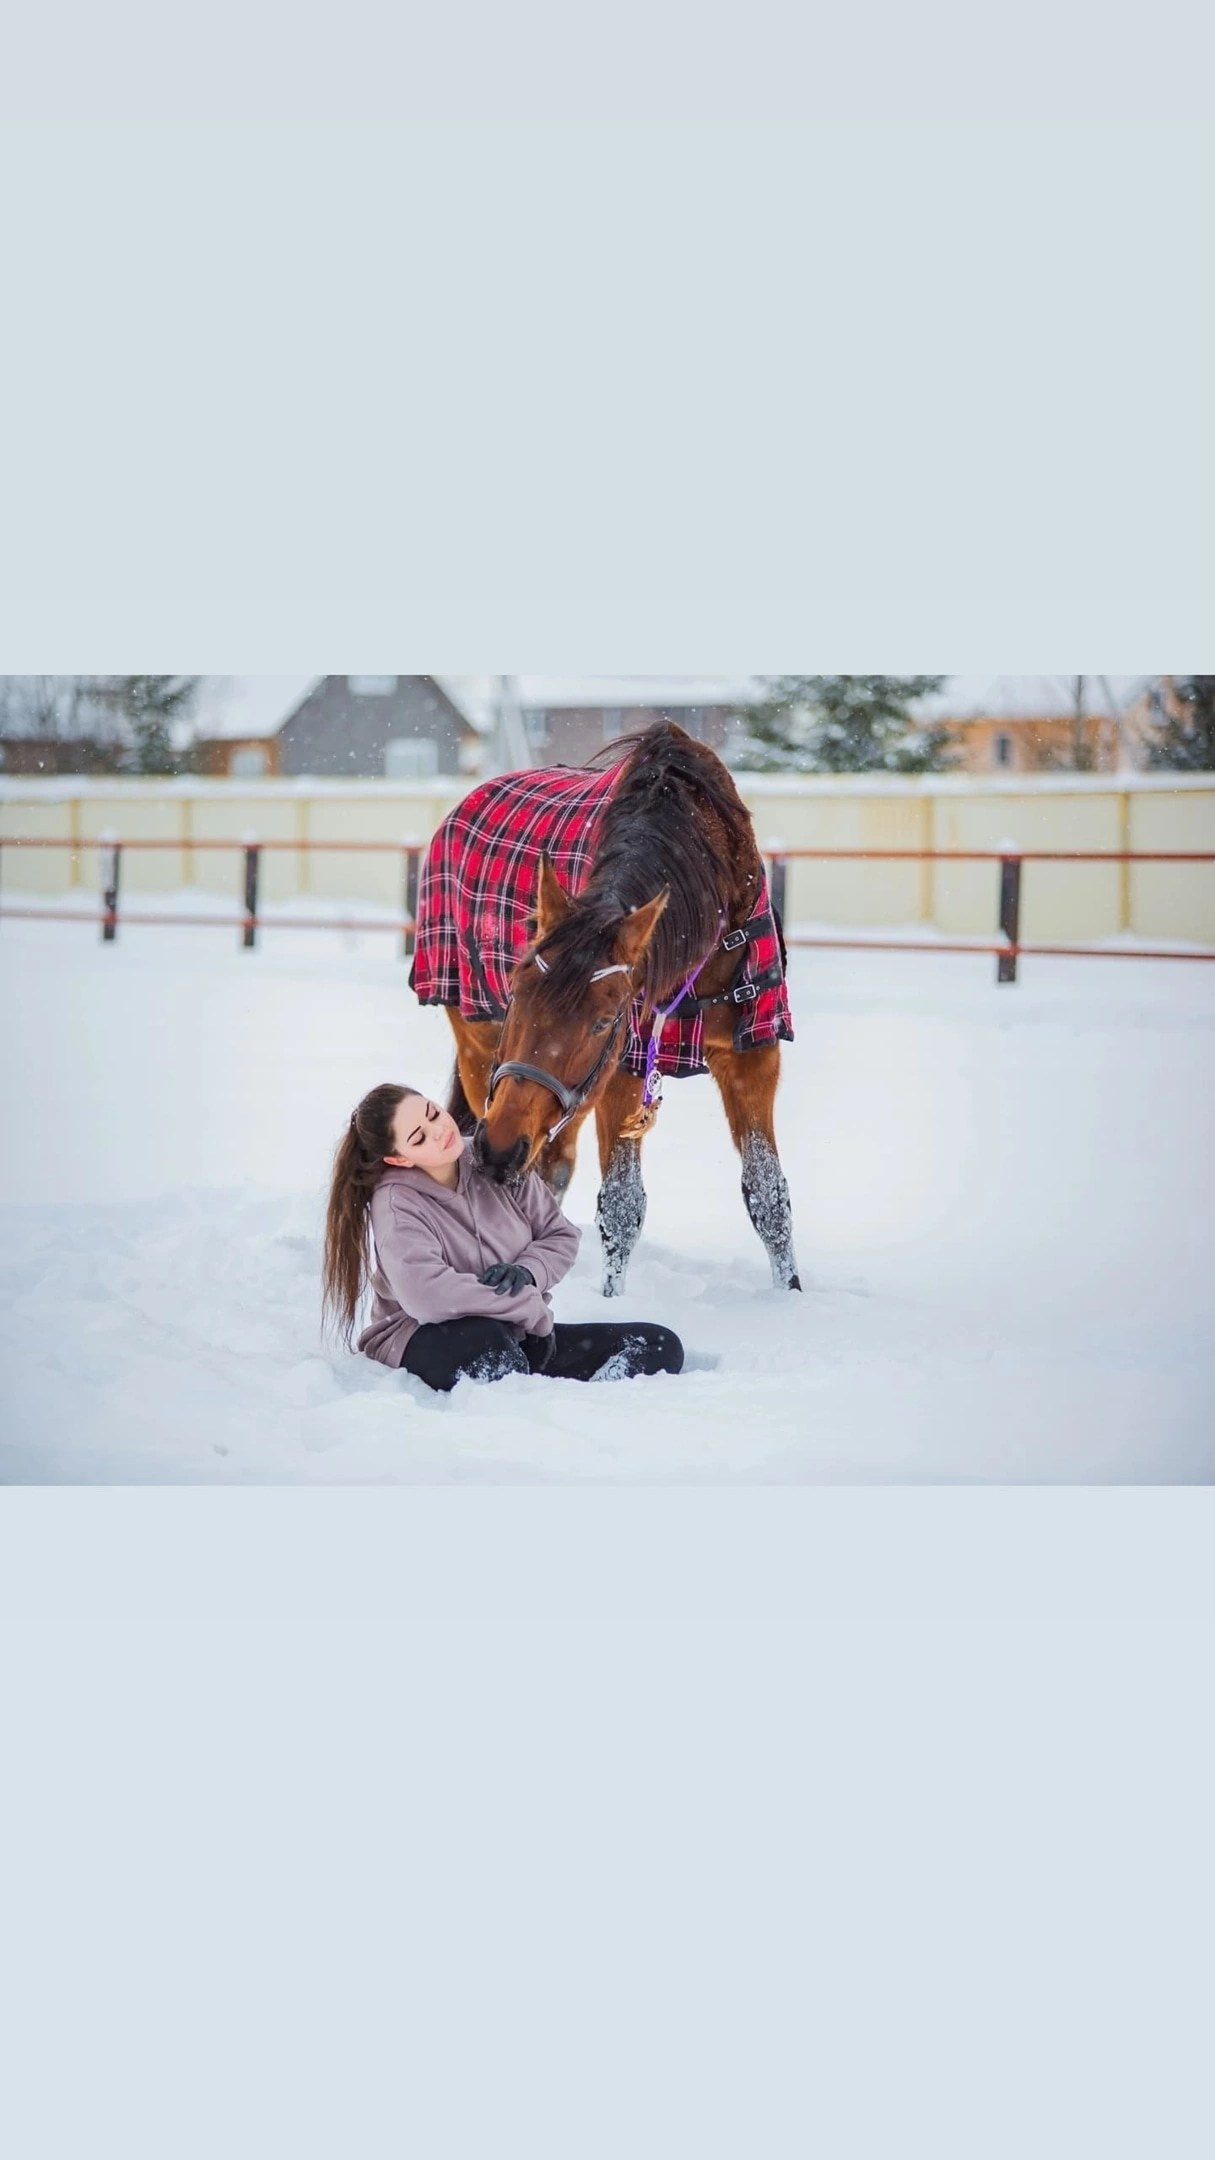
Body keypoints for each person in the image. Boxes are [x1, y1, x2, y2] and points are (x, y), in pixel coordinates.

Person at [322, 1081, 684, 1392]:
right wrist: (525, 1306)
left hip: (519, 1334)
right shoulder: (397, 1204)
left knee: (659, 1344)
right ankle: (534, 1401)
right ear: (400, 1159)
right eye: (419, 1137)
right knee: (490, 1348)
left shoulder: (491, 1157)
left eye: (433, 1113)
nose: (438, 1130)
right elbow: (426, 1296)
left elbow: (559, 1235)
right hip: (422, 1336)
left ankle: (591, 1405)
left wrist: (528, 1272)